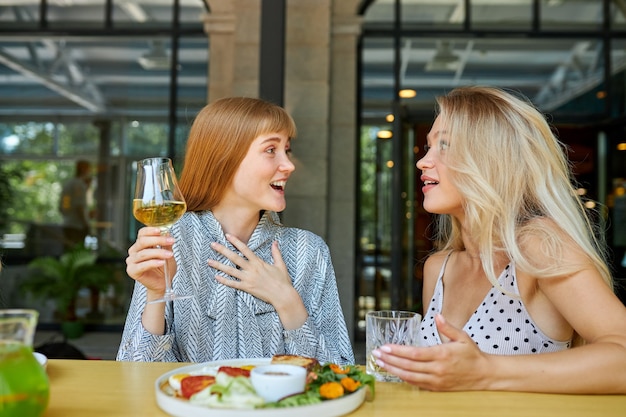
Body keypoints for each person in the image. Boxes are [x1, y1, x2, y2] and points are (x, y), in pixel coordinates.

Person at [371, 86, 626, 394]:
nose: (423, 162)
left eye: (445, 146)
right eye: (428, 147)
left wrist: (485, 371)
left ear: (490, 159)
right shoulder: (439, 268)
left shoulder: (538, 246)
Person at [117, 97, 354, 365]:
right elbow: (134, 374)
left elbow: (340, 373)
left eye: (286, 150)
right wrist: (156, 294)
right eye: (270, 150)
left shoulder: (309, 251)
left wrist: (287, 301)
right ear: (224, 157)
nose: (289, 165)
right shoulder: (171, 242)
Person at [59, 160, 92, 250]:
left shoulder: (68, 183)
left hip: (68, 224)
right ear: (83, 169)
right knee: (76, 253)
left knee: (68, 253)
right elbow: (79, 206)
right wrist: (86, 224)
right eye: (88, 169)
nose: (90, 171)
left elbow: (61, 207)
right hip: (77, 227)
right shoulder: (79, 185)